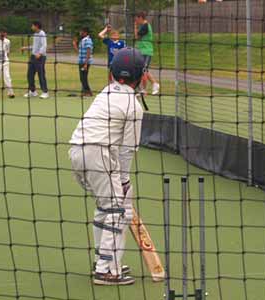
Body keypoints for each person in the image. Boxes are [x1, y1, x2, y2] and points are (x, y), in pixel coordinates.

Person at [68, 48, 146, 286]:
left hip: (75, 151)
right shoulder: (134, 107)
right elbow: (127, 150)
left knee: (106, 207)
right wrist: (124, 181)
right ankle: (106, 271)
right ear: (141, 76)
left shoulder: (106, 92)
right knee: (116, 209)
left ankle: (105, 260)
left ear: (112, 73)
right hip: (97, 153)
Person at [21, 21, 49, 99]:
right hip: (33, 57)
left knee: (41, 74)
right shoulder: (35, 34)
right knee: (29, 74)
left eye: (32, 25)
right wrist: (26, 48)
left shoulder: (42, 34)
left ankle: (45, 92)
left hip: (40, 57)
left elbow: (44, 45)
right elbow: (35, 46)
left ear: (36, 26)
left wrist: (39, 54)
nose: (31, 27)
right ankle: (33, 91)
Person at [133, 11, 159, 95]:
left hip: (146, 51)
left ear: (140, 17)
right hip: (142, 51)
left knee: (143, 70)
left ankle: (144, 89)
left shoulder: (145, 26)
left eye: (136, 19)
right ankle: (154, 84)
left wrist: (135, 27)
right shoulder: (144, 26)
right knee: (143, 70)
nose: (135, 20)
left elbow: (136, 37)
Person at [75, 27, 94, 97]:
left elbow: (88, 52)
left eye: (81, 31)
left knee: (83, 78)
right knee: (82, 78)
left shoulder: (88, 40)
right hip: (81, 61)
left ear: (85, 33)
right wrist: (75, 45)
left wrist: (86, 63)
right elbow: (79, 52)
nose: (80, 33)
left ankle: (88, 92)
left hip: (85, 62)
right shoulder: (82, 40)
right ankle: (84, 92)